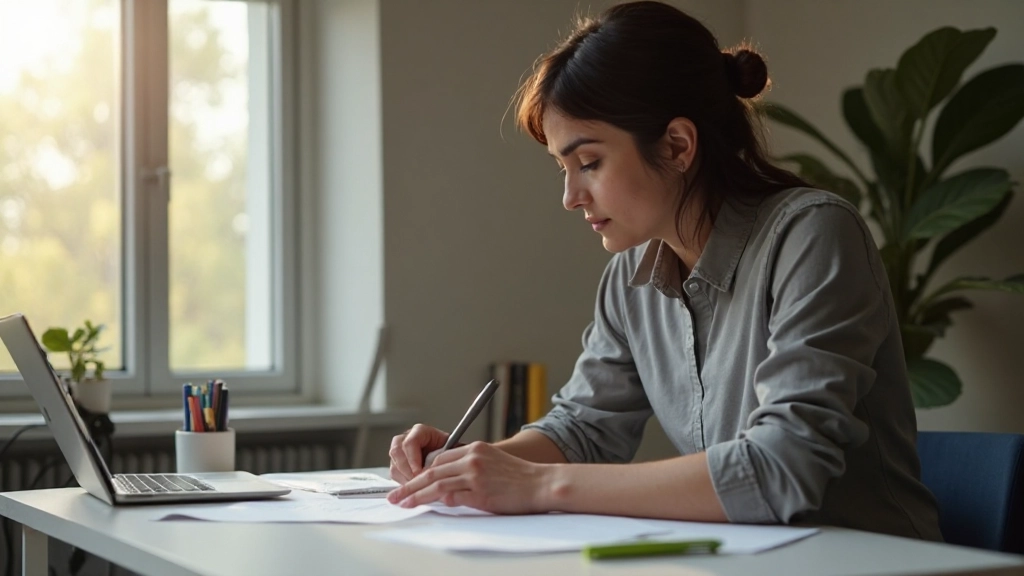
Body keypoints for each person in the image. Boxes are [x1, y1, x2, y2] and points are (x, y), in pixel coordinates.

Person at [385, 0, 942, 540]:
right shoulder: (632, 276)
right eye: (563, 167)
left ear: (677, 145)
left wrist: (541, 484)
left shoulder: (814, 235)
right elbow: (583, 430)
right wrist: (464, 464)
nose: (570, 197)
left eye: (589, 162)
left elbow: (780, 466)